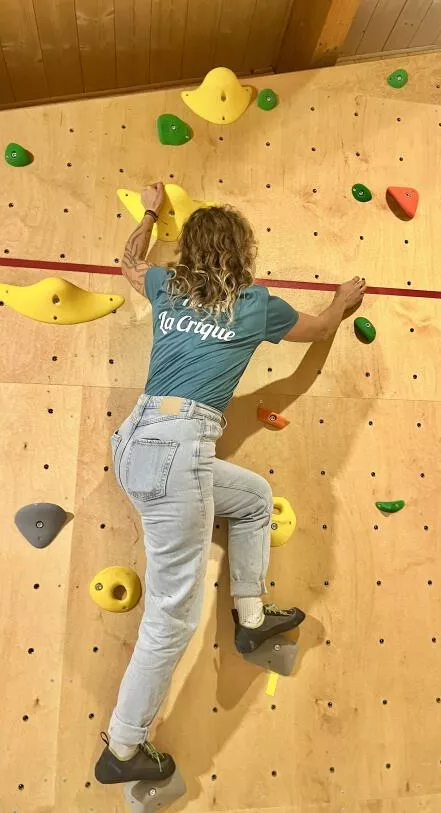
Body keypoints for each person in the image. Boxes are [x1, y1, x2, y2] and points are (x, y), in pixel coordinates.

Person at [95, 182, 366, 784]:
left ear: (189, 248)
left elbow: (129, 262)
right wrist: (341, 300)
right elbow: (322, 328)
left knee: (253, 499)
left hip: (136, 442)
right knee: (170, 618)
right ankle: (123, 748)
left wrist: (149, 212)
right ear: (244, 251)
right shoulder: (255, 305)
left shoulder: (167, 286)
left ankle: (250, 615)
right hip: (178, 451)